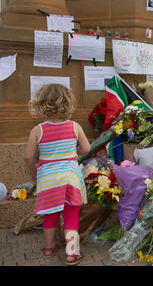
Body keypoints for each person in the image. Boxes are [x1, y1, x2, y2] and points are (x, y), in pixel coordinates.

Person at [24, 84, 90, 266]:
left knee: (50, 215)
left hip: (48, 179)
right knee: (71, 216)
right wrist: (73, 150)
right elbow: (86, 148)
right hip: (70, 178)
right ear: (68, 103)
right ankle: (71, 253)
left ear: (42, 104)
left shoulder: (38, 130)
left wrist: (35, 167)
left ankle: (48, 247)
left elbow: (28, 156)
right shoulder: (74, 127)